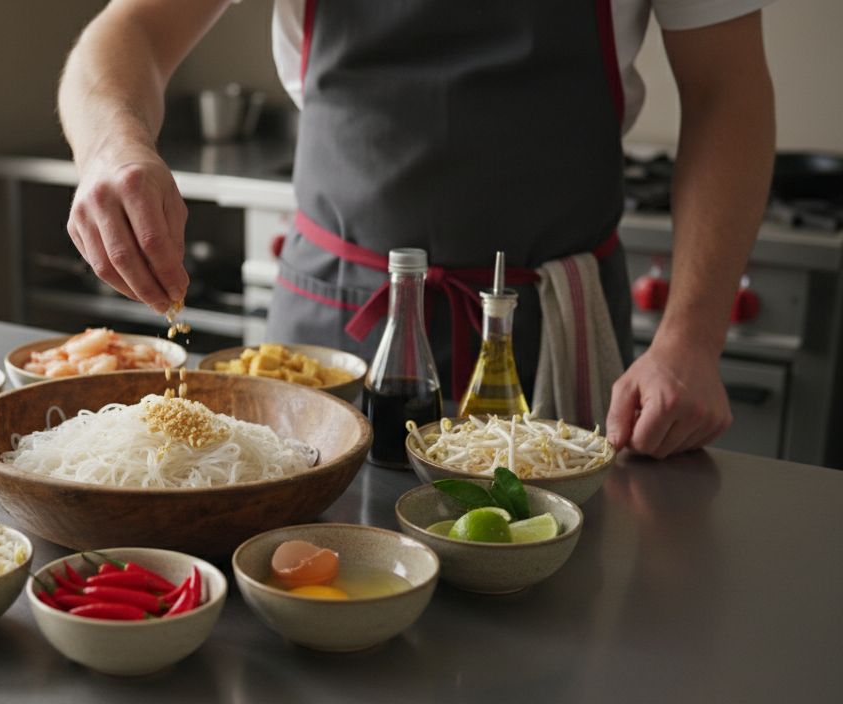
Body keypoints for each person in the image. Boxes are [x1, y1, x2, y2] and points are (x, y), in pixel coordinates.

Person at [57, 0, 775, 459]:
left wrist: (692, 337)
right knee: (313, 595)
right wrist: (112, 146)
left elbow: (727, 91)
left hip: (548, 334)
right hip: (333, 339)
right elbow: (131, 29)